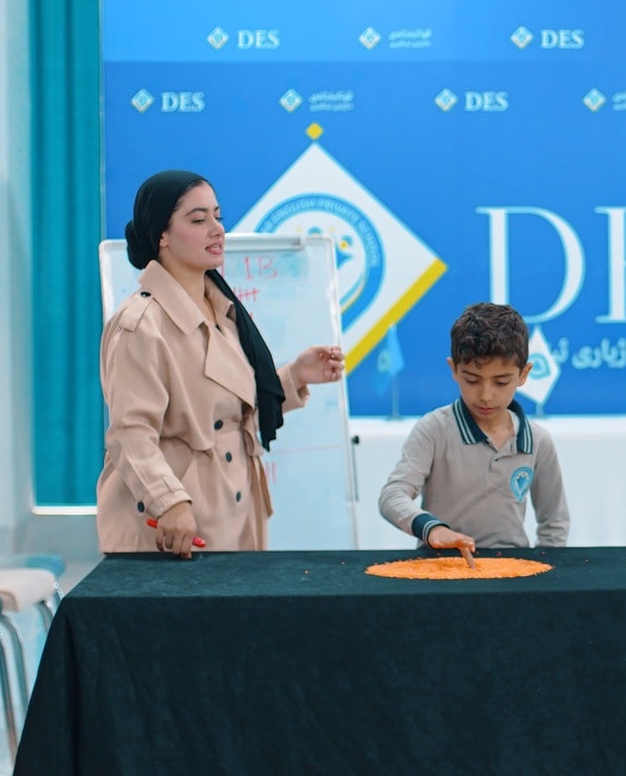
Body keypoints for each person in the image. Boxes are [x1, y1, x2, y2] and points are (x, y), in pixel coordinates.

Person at [98, 170, 345, 556]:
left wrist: (294, 376)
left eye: (218, 216)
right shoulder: (140, 325)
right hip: (176, 522)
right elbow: (130, 433)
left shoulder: (222, 310)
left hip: (232, 507)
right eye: (198, 220)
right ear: (162, 236)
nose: (217, 230)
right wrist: (168, 501)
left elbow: (226, 408)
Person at [378, 303, 568, 551]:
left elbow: (554, 523)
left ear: (524, 374)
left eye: (501, 382)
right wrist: (431, 529)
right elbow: (392, 495)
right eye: (472, 380)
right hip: (440, 566)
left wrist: (547, 568)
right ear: (454, 370)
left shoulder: (538, 440)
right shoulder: (434, 429)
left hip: (513, 566)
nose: (486, 396)